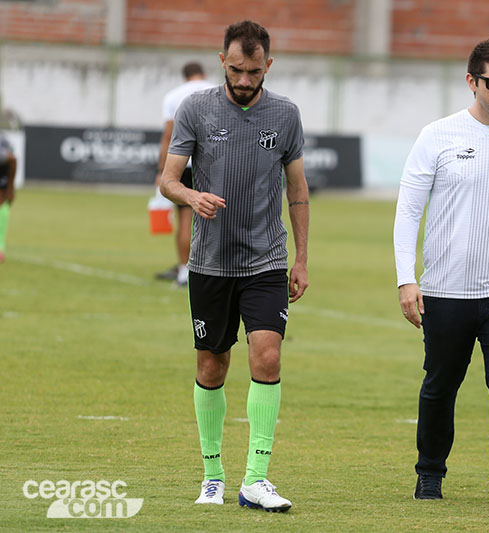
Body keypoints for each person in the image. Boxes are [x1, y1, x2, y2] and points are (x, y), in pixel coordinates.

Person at [393, 39, 489, 515]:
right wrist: (406, 279)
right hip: (445, 290)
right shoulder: (437, 136)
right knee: (441, 385)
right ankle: (430, 472)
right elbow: (409, 211)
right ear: (472, 81)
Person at [160, 20, 309, 512]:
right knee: (212, 365)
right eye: (237, 69)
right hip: (210, 263)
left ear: (269, 64)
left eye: (254, 70)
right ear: (222, 60)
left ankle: (256, 479)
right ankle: (212, 477)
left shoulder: (285, 115)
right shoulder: (196, 109)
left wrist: (301, 259)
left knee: (267, 356)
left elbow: (298, 193)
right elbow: (167, 180)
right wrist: (190, 195)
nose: (245, 80)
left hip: (266, 259)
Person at [154, 62, 216, 287]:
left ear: (185, 77)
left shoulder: (173, 96)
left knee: (185, 219)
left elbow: (168, 135)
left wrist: (162, 171)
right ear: (204, 73)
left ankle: (183, 272)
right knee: (215, 218)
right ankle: (215, 269)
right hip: (212, 163)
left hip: (184, 164)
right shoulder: (217, 89)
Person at [0, 131, 17, 264]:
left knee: (3, 205)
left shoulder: (2, 140)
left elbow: (12, 160)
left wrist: (10, 188)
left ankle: (0, 248)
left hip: (3, 174)